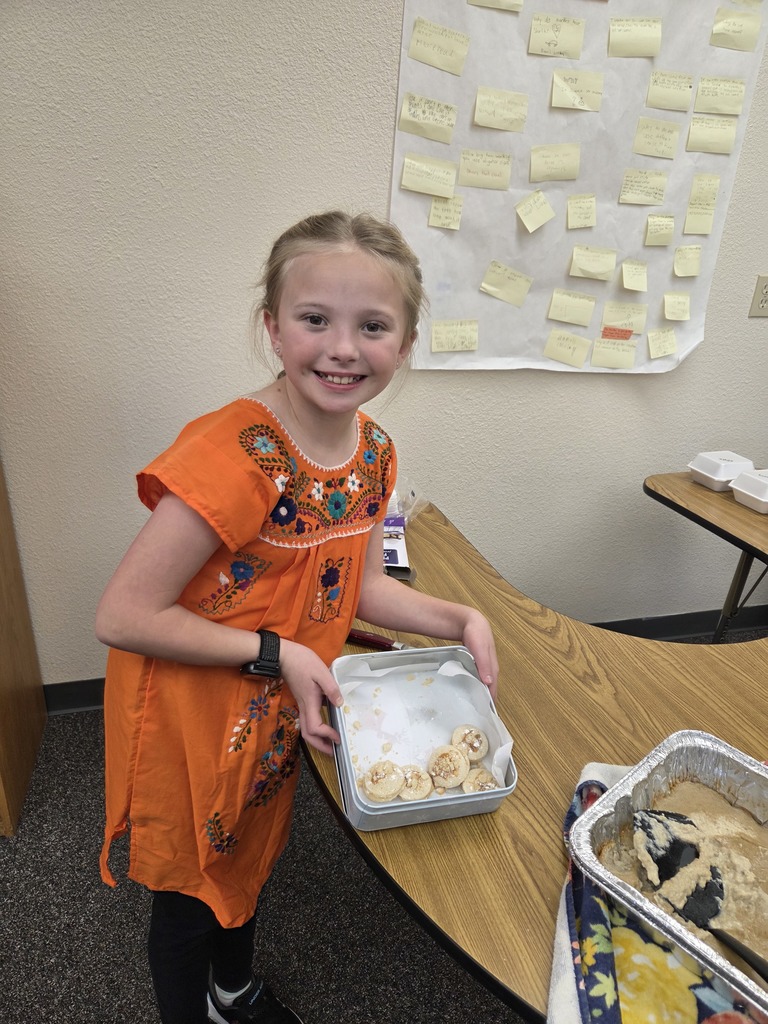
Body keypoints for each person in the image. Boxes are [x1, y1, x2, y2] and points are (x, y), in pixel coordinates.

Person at [95, 210, 499, 1024]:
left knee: (251, 853)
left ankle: (234, 990)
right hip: (190, 713)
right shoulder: (235, 452)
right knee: (186, 891)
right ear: (273, 329)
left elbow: (343, 584)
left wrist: (453, 617)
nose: (343, 348)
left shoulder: (374, 454)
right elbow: (124, 613)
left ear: (407, 341)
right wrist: (277, 650)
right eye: (316, 320)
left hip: (277, 702)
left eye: (373, 326)